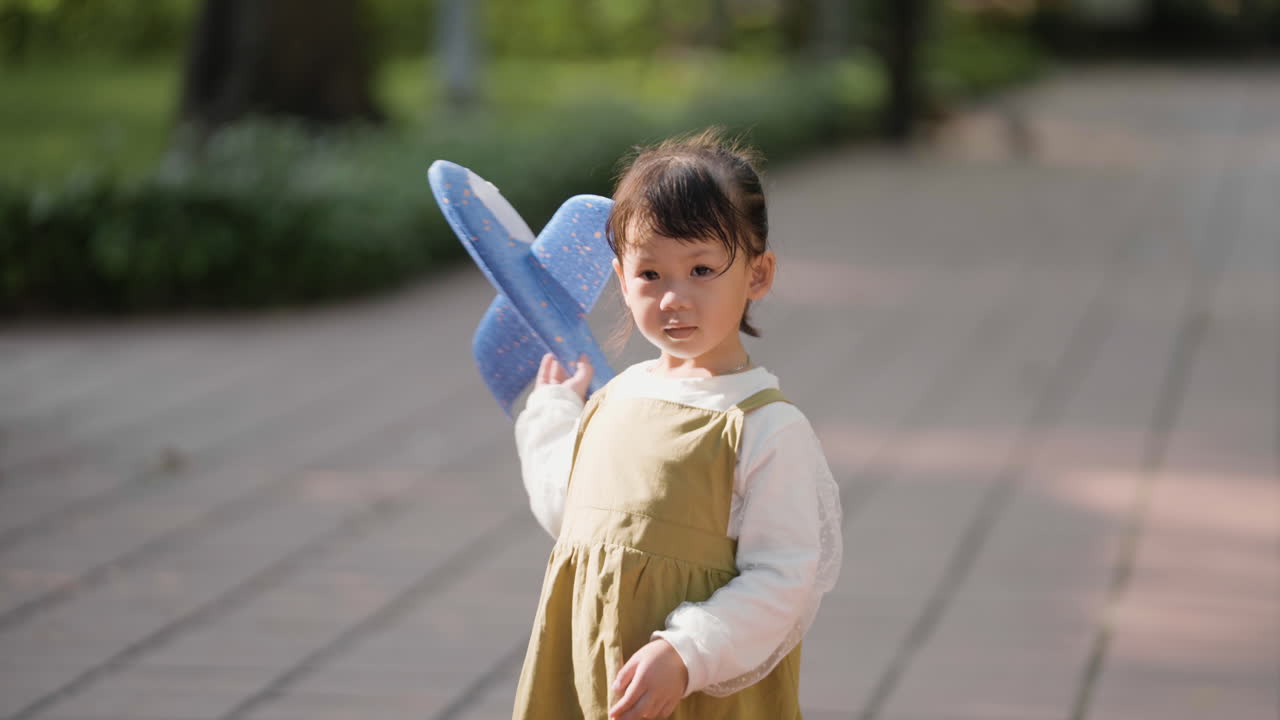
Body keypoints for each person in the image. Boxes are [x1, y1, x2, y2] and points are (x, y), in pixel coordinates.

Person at [511, 128, 842, 720]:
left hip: (694, 693)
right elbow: (569, 512)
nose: (674, 298)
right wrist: (552, 413)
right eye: (651, 274)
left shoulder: (764, 428)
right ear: (620, 277)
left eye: (702, 269)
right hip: (594, 679)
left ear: (758, 275)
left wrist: (688, 651)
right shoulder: (614, 400)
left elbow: (785, 579)